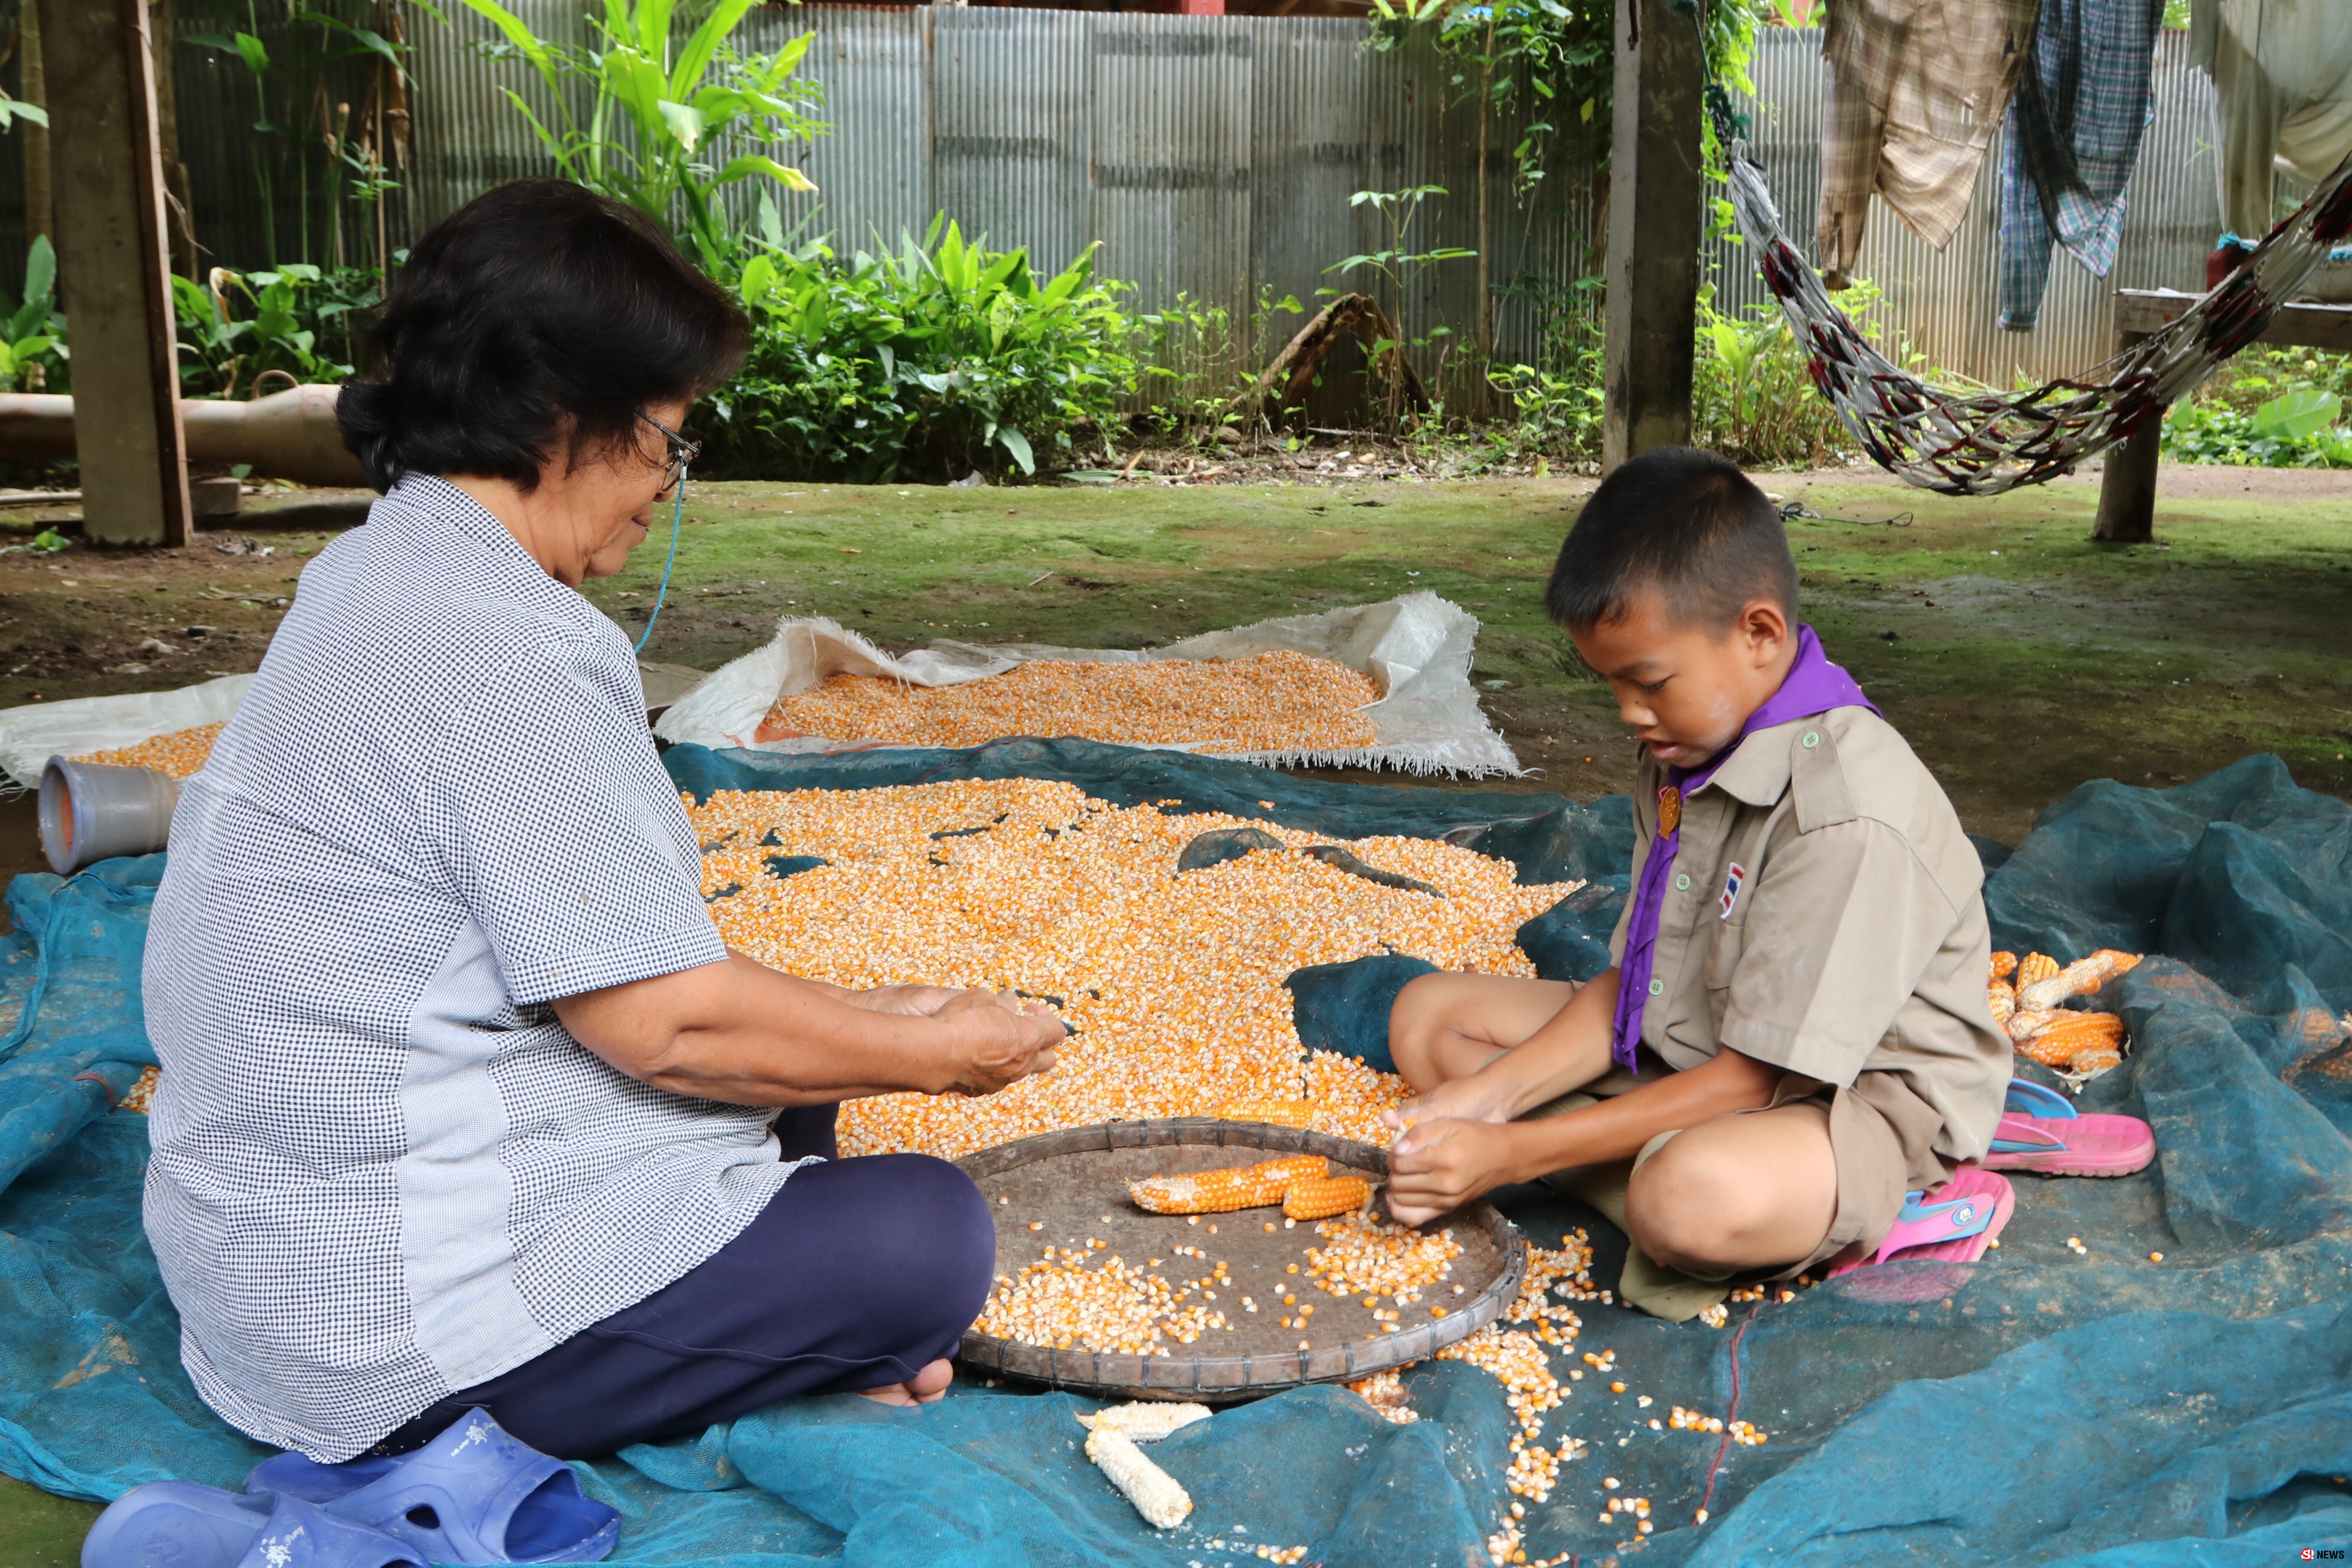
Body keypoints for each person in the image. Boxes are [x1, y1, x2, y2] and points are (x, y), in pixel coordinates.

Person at [141, 179, 1064, 1465]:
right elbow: (662, 1023)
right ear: (565, 419)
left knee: (795, 1084)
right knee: (927, 1234)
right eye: (667, 442)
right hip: (390, 1341)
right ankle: (789, 1344)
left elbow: (607, 967)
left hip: (260, 1271)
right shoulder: (509, 647)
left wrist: (874, 1016)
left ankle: (789, 1319)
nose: (664, 488)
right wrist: (937, 1052)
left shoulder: (375, 566)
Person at [1380, 447, 2007, 1307]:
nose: (1630, 715)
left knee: (1686, 1203)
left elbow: (1756, 1080)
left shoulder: (1846, 813)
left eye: (1649, 683)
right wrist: (1486, 1101)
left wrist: (1513, 1153)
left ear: (1759, 634)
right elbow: (1638, 980)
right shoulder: (1687, 744)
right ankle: (1637, 1162)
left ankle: (1897, 1206)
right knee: (1428, 1023)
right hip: (1698, 1038)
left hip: (1854, 1098)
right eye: (1612, 686)